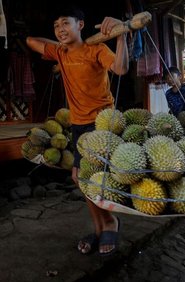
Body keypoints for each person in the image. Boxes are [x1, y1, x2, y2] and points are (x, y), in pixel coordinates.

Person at [26, 6, 128, 256]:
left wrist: (121, 33)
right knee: (80, 179)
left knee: (95, 180)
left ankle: (110, 223)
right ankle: (98, 228)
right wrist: (60, 44)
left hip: (102, 122)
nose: (60, 29)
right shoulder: (60, 54)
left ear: (80, 25)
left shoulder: (97, 49)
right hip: (79, 124)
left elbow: (121, 69)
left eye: (65, 23)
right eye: (56, 25)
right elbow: (31, 41)